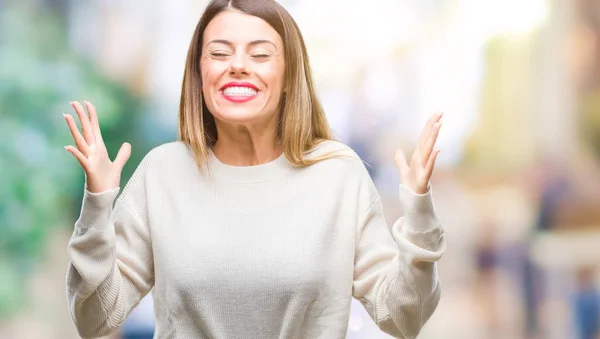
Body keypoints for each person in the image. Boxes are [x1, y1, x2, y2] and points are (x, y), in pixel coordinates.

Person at [63, 0, 446, 338]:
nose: (238, 66)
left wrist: (419, 218)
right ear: (199, 74)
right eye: (219, 53)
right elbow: (95, 321)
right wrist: (97, 205)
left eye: (260, 55)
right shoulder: (161, 172)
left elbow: (402, 318)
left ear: (288, 76)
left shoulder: (339, 175)